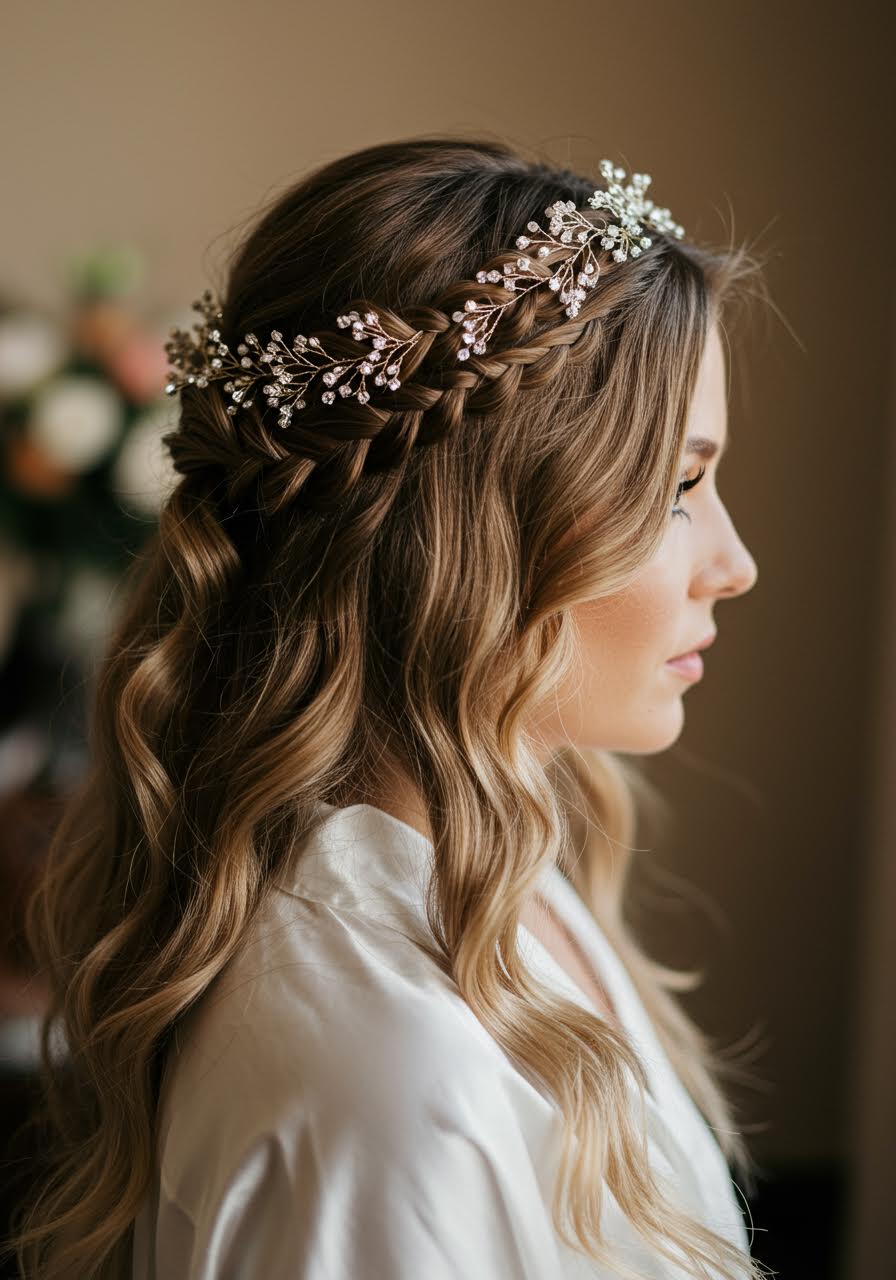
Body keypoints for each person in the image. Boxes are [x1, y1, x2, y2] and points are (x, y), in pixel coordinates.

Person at [7, 136, 771, 1279]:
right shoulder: (390, 1081)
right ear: (474, 531)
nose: (735, 562)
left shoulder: (495, 872)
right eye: (674, 489)